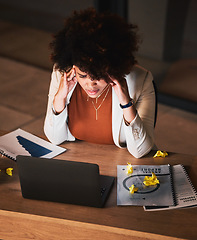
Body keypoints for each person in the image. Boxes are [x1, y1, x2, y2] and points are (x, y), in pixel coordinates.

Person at [44, 8, 156, 158]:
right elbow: (54, 138)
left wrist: (126, 103)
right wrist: (60, 98)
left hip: (120, 165)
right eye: (82, 75)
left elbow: (140, 151)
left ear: (114, 67)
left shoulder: (141, 80)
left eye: (98, 76)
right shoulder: (62, 75)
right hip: (77, 161)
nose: (91, 84)